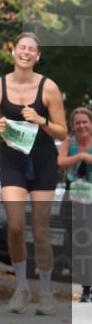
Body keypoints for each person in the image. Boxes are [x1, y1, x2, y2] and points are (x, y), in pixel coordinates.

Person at [0, 32, 67, 315]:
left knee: (40, 231)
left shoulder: (48, 88)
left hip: (43, 162)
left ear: (37, 56)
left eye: (32, 49)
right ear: (14, 52)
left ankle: (45, 293)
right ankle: (21, 288)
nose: (26, 52)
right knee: (16, 226)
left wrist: (40, 119)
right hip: (13, 162)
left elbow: (62, 130)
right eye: (22, 47)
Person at [59, 107, 92, 302]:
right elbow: (60, 162)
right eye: (78, 122)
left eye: (85, 122)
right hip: (72, 200)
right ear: (73, 125)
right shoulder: (68, 142)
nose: (81, 126)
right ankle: (86, 289)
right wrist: (80, 157)